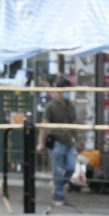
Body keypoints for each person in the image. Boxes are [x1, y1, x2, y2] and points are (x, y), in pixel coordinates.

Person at [37, 75, 78, 206]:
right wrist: (41, 142)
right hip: (56, 141)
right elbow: (44, 125)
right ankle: (58, 194)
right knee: (58, 170)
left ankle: (59, 186)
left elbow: (74, 124)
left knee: (71, 168)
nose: (67, 93)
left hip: (68, 142)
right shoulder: (50, 106)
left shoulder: (71, 106)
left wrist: (77, 141)